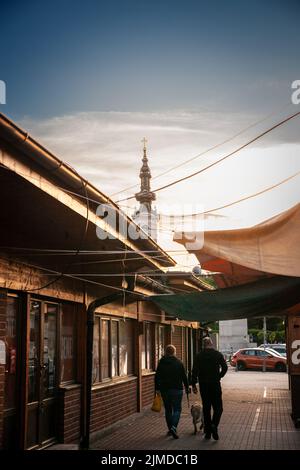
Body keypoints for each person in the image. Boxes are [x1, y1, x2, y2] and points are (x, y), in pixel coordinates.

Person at [192, 337, 228, 440]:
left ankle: (208, 433)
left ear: (203, 345)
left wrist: (194, 384)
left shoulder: (199, 356)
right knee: (218, 408)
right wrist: (219, 376)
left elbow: (194, 370)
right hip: (215, 384)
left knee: (206, 409)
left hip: (203, 385)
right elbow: (225, 367)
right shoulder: (217, 354)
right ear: (211, 344)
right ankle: (214, 425)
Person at [155, 344, 190, 439]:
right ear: (174, 352)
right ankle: (174, 427)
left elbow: (157, 377)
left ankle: (170, 429)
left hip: (165, 390)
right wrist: (187, 387)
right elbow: (184, 376)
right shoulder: (179, 363)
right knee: (177, 409)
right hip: (177, 389)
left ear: (165, 352)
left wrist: (157, 389)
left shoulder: (161, 362)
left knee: (168, 410)